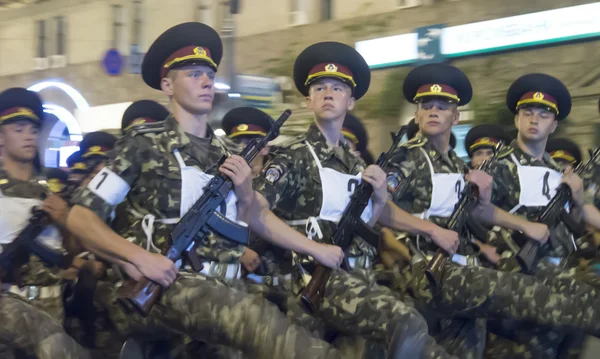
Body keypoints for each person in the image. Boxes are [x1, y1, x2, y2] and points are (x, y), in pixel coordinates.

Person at [66, 22, 346, 359]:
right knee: (262, 325)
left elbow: (256, 215)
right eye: (194, 73)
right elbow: (81, 217)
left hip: (226, 290)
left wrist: (313, 248)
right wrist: (139, 258)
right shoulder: (143, 145)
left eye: (209, 73)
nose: (206, 81)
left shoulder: (228, 153)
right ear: (167, 84)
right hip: (166, 288)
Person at [254, 41, 456, 358]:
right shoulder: (294, 155)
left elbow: (377, 217)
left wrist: (381, 200)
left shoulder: (357, 165)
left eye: (338, 88)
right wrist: (312, 248)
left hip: (358, 277)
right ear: (308, 101)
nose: (328, 93)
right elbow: (254, 209)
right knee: (403, 322)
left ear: (351, 102)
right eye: (319, 87)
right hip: (312, 280)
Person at [384, 64, 600, 357]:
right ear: (417, 114)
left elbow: (478, 213)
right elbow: (378, 210)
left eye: (443, 106)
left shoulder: (459, 167)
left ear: (455, 116)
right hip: (434, 269)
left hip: (465, 267)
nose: (434, 111)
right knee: (544, 300)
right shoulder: (407, 158)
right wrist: (432, 230)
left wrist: (485, 202)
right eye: (427, 106)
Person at [0, 87, 90, 359]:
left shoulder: (51, 194)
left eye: (33, 129)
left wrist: (64, 219)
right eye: (19, 128)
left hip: (52, 304)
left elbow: (72, 251)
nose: (29, 135)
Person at [222, 106, 273, 177]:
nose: (241, 147)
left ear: (265, 148)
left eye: (248, 143)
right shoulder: (225, 179)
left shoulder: (275, 180)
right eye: (237, 142)